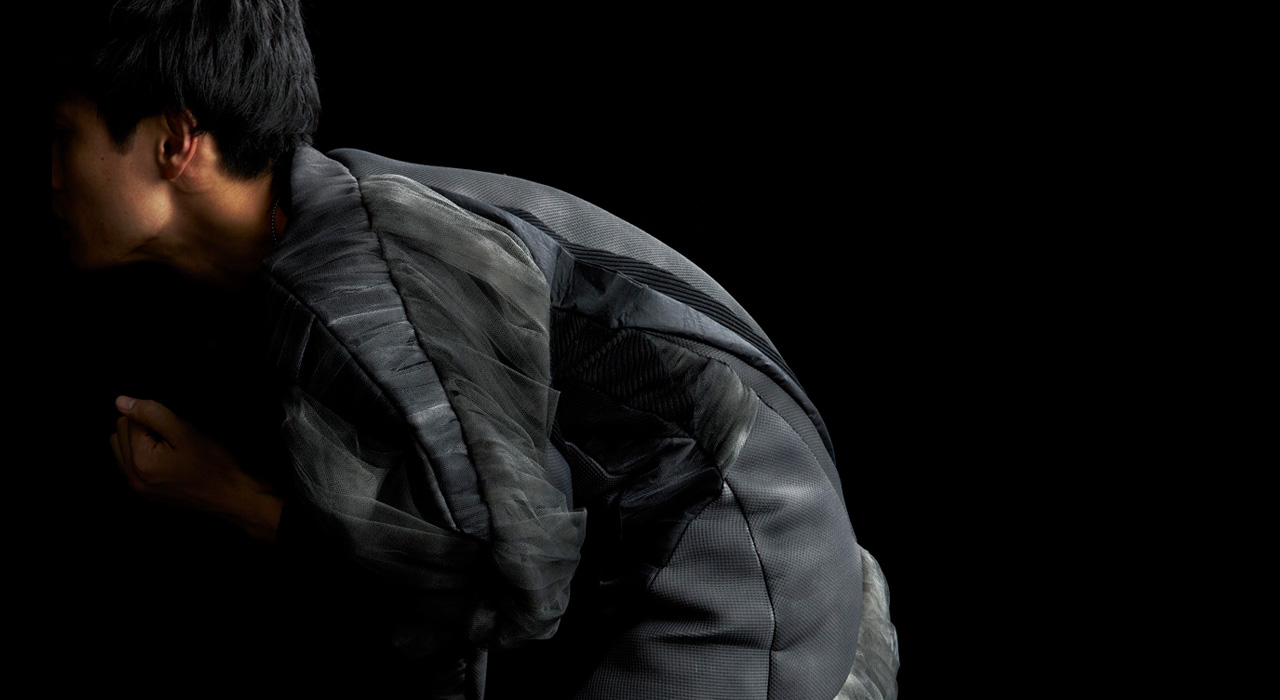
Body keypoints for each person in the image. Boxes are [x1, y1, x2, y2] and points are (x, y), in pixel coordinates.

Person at [51, 1, 898, 698]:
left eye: (64, 137)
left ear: (175, 141)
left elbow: (509, 576)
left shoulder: (359, 264)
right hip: (705, 542)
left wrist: (234, 497)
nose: (52, 174)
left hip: (737, 549)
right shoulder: (304, 250)